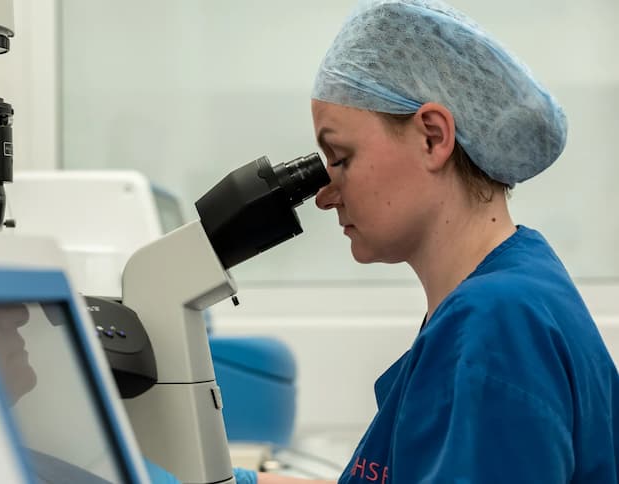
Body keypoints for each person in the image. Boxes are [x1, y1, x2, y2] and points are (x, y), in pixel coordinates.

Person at [240, 0, 619, 483]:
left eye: (340, 156)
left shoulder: (496, 324)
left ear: (433, 138)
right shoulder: (512, 288)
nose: (325, 195)